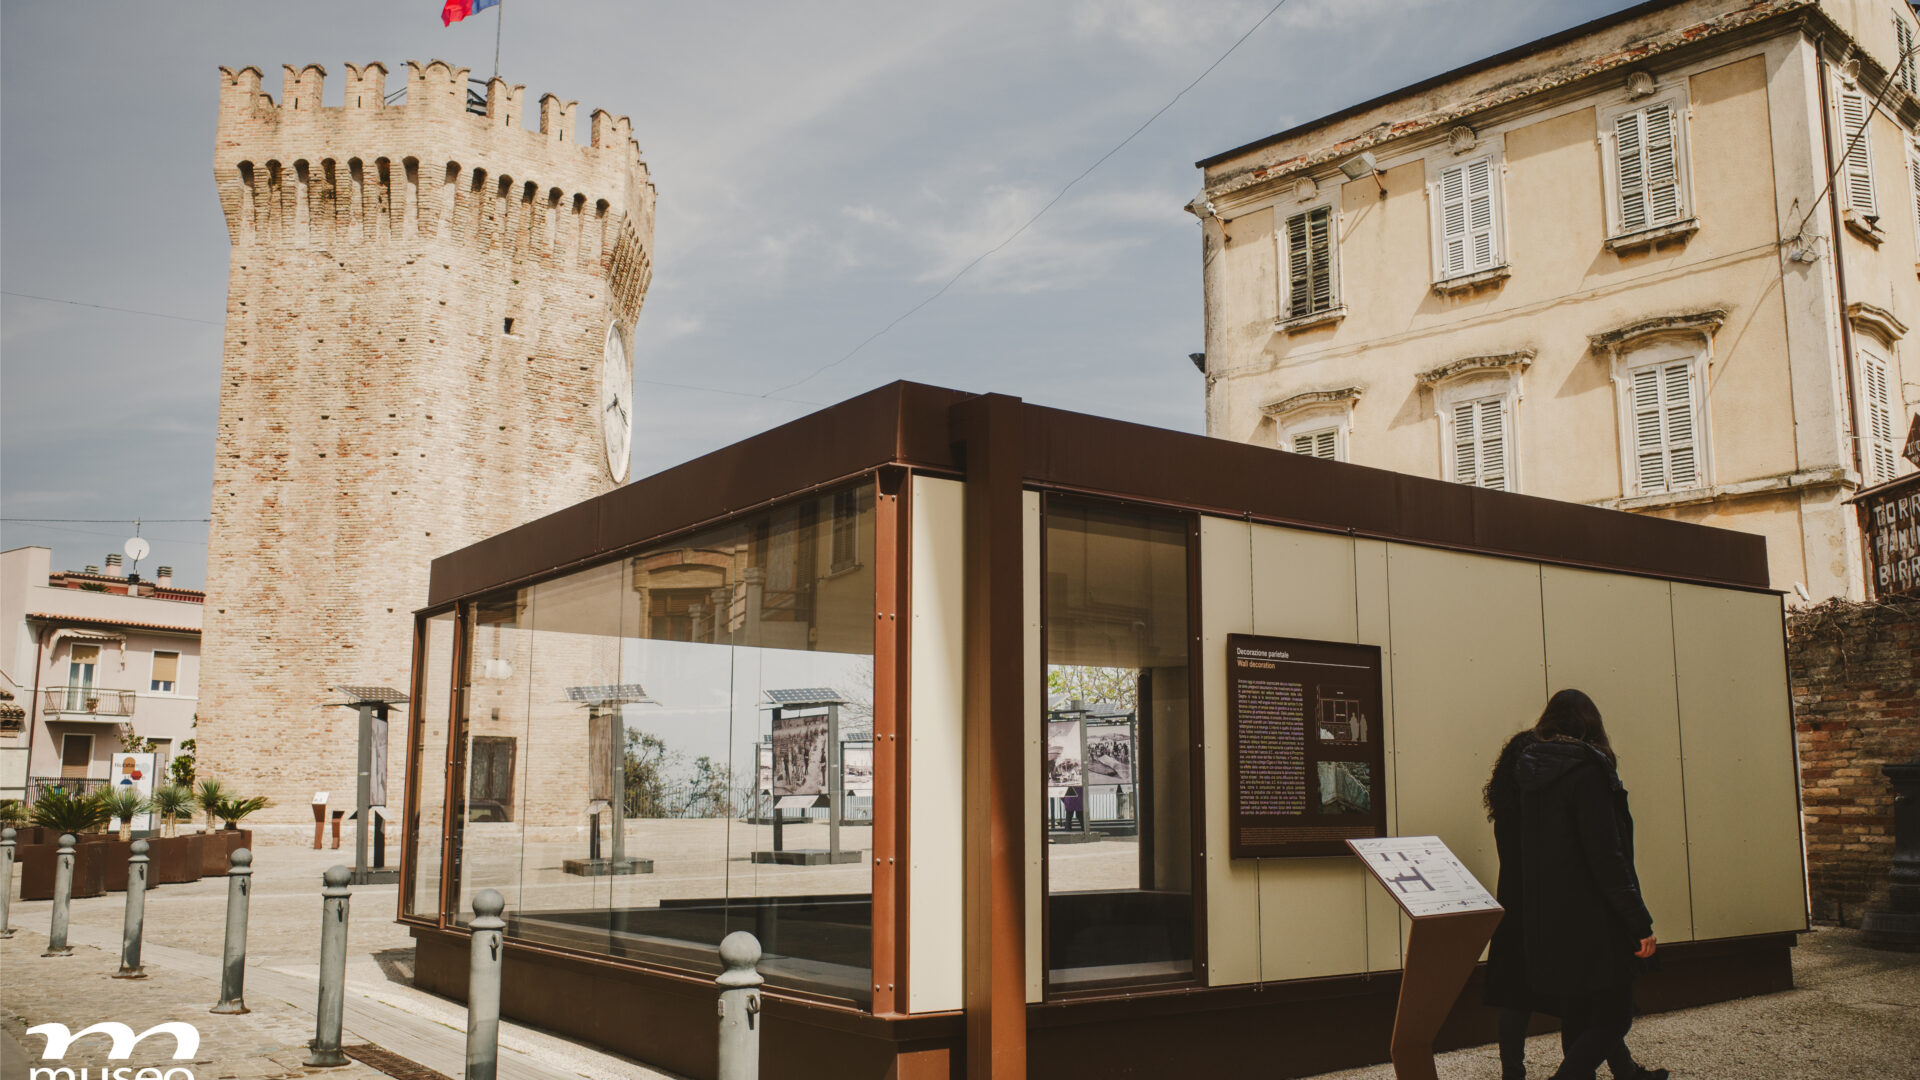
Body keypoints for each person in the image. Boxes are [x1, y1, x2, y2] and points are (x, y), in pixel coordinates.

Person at [1484, 721, 1664, 1080]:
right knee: (1592, 1000)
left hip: (1513, 904)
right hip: (1547, 902)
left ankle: (1513, 1074)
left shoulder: (1505, 807)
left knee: (1518, 997)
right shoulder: (1542, 802)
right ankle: (1615, 1070)